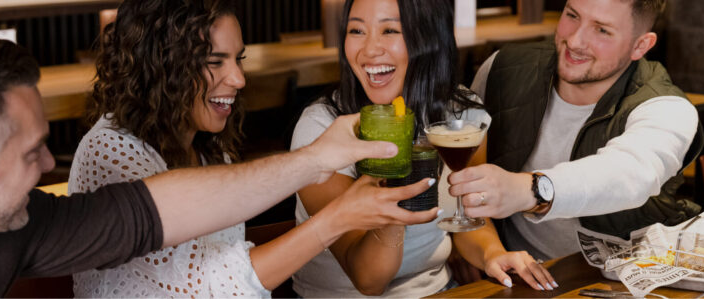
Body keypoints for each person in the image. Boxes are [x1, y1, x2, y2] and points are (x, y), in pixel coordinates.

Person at [0, 36, 439, 297]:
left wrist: (318, 158)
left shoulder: (7, 222)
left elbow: (157, 207)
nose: (51, 164)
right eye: (31, 152)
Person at [67, 0, 438, 297]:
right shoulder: (108, 152)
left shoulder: (211, 152)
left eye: (238, 59)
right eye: (215, 62)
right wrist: (337, 215)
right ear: (160, 66)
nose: (239, 79)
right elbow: (209, 286)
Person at [290, 0, 557, 297]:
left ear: (429, 36)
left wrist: (493, 254)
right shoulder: (321, 130)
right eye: (356, 30)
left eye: (389, 30)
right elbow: (368, 279)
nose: (369, 50)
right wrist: (394, 183)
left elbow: (466, 217)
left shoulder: (461, 115)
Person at [453, 0, 703, 261]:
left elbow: (630, 174)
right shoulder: (501, 68)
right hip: (518, 276)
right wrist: (466, 251)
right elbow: (462, 172)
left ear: (640, 45)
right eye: (572, 15)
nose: (574, 41)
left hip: (619, 278)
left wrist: (531, 190)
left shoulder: (666, 107)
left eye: (602, 30)